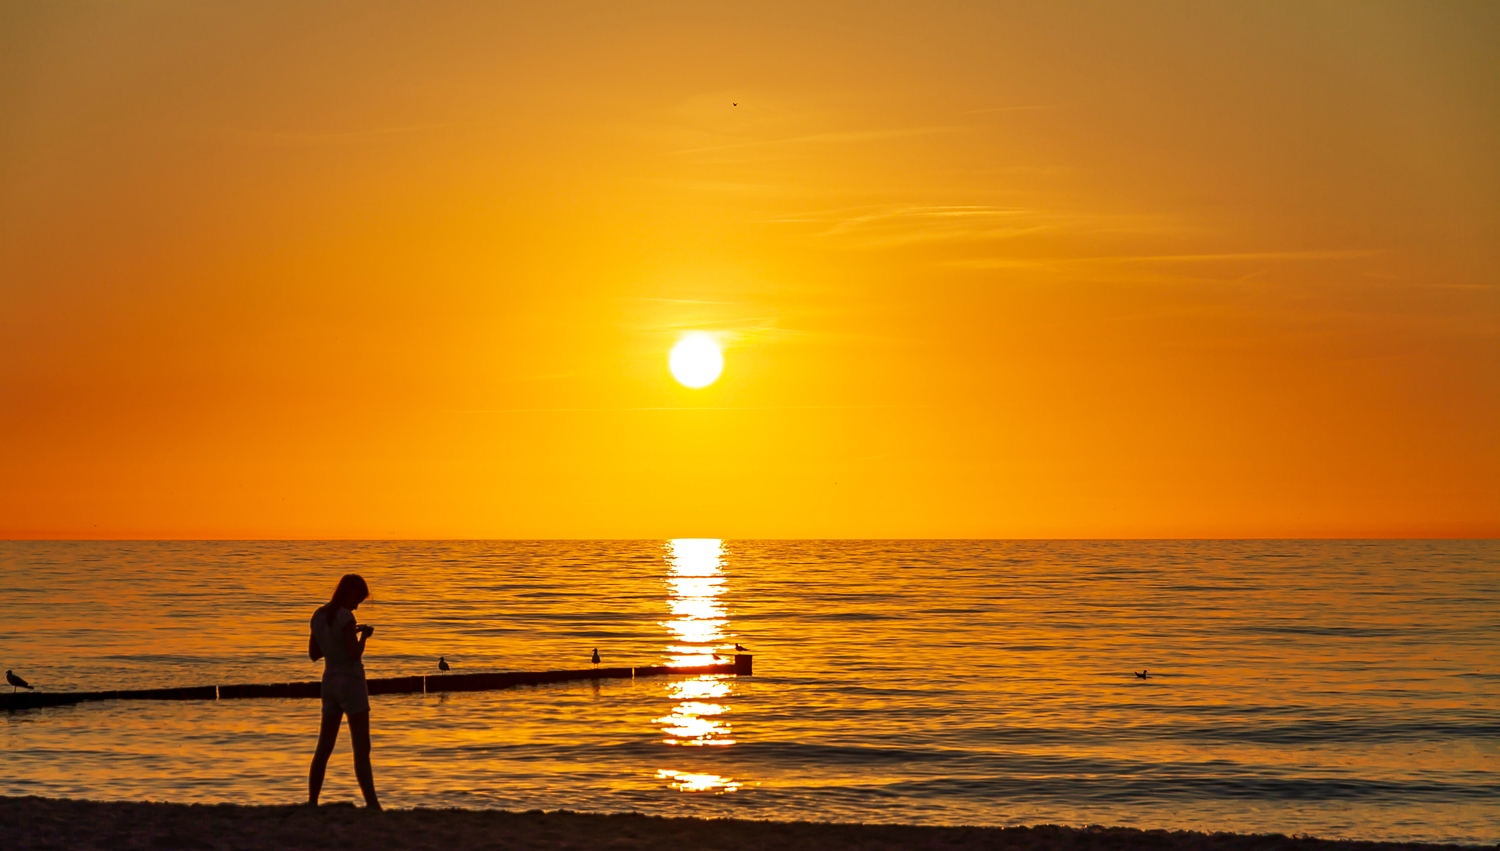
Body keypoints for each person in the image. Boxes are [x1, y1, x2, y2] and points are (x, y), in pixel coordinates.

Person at [307, 573, 381, 810]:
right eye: (358, 598)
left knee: (324, 747)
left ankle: (312, 801)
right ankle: (372, 804)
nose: (358, 604)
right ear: (349, 593)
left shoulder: (319, 616)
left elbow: (314, 654)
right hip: (351, 682)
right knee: (361, 748)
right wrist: (364, 637)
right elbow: (353, 653)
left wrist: (339, 639)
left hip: (329, 682)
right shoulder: (345, 617)